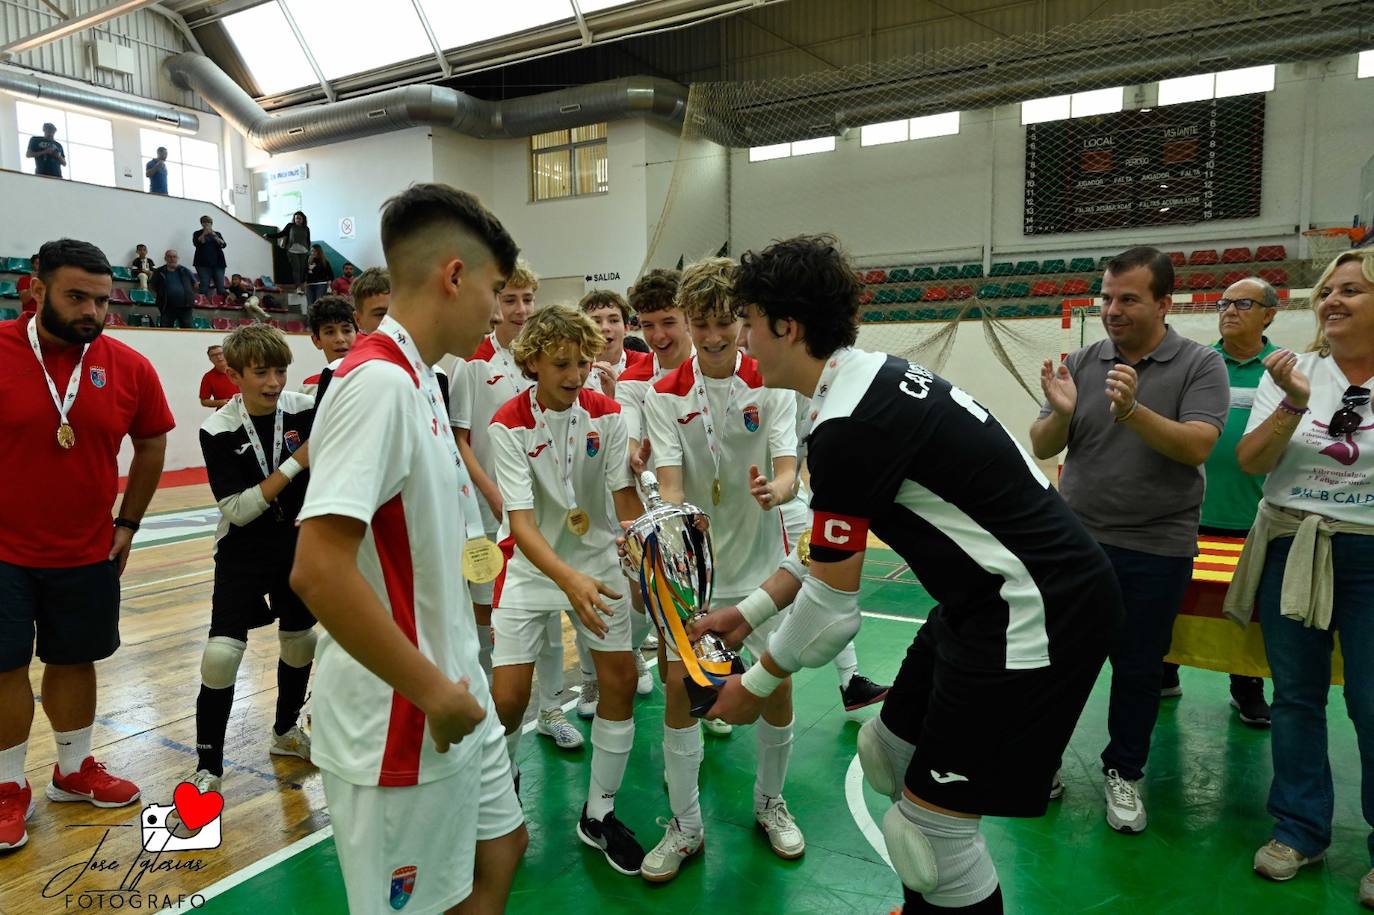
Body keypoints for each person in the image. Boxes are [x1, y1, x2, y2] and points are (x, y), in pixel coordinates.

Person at [690, 234, 1121, 914]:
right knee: (887, 754)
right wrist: (749, 613)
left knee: (933, 837)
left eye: (749, 321)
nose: (744, 339)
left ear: (787, 325)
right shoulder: (867, 380)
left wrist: (758, 678)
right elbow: (828, 551)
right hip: (981, 601)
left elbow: (834, 610)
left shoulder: (849, 420)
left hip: (1035, 610)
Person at [290, 183, 526, 914]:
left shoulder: (426, 378)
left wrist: (495, 603)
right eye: (494, 289)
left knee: (503, 848)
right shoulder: (378, 385)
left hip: (458, 690)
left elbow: (445, 537)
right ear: (454, 276)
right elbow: (317, 569)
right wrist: (431, 688)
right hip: (402, 720)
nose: (496, 310)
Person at [1029, 245, 1229, 834]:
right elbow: (1043, 445)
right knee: (1060, 660)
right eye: (1108, 298)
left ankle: (1125, 772)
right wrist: (1062, 414)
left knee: (1139, 668)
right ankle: (1042, 762)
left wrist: (1133, 410)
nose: (1112, 310)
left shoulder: (1200, 365)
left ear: (1166, 302)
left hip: (1157, 546)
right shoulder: (1084, 359)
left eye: (1129, 299)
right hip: (1079, 541)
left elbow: (1196, 446)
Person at [0, 239, 175, 853]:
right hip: (3, 552)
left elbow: (152, 441)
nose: (92, 312)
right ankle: (3, 788)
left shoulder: (128, 366)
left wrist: (126, 525)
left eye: (102, 300)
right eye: (77, 296)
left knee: (76, 660)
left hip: (88, 550)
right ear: (35, 290)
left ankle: (73, 771)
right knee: (5, 667)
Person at [638, 256, 805, 880]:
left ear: (741, 320)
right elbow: (673, 482)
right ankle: (684, 825)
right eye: (699, 324)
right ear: (686, 321)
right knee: (680, 690)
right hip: (695, 574)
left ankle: (770, 801)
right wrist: (679, 519)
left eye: (723, 323)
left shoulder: (774, 379)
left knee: (775, 684)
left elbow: (788, 466)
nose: (711, 338)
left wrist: (778, 492)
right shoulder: (663, 393)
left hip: (763, 569)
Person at [1226, 250, 1374, 907]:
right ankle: (1300, 828)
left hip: (1369, 552)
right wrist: (1292, 404)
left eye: (1352, 290)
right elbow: (1251, 458)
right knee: (1296, 695)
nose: (1333, 300)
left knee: (1372, 702)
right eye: (1327, 291)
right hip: (1292, 544)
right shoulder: (1291, 370)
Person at [488, 304, 647, 874]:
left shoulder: (607, 413)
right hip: (533, 568)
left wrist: (639, 552)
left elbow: (622, 496)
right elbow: (523, 525)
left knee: (621, 681)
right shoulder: (507, 422)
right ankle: (501, 789)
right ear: (531, 361)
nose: (576, 375)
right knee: (507, 699)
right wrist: (569, 579)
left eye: (584, 362)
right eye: (562, 364)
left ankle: (599, 813)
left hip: (596, 562)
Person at [450, 261, 585, 751]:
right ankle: (488, 712)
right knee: (491, 617)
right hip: (489, 516)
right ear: (494, 302)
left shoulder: (546, 358)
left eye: (529, 299)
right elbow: (460, 439)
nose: (522, 310)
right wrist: (492, 494)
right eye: (511, 300)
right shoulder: (473, 361)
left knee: (546, 613)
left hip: (541, 512)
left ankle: (550, 707)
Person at [191, 325, 316, 794]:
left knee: (302, 641)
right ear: (235, 374)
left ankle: (286, 732)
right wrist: (296, 462)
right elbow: (239, 509)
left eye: (280, 370)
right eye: (261, 372)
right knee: (221, 655)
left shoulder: (306, 408)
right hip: (242, 550)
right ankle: (208, 767)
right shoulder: (217, 428)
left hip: (298, 546)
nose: (273, 382)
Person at [1160, 275, 1280, 725]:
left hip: (1255, 517)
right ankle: (1164, 671)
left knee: (1247, 609)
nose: (1229, 311)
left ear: (1270, 313)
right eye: (1223, 304)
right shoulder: (1199, 364)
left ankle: (1246, 684)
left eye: (1243, 304)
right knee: (1174, 599)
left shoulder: (1284, 369)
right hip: (1187, 514)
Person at [580, 289, 650, 397]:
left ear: (626, 327)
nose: (605, 328)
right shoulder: (575, 370)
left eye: (613, 320)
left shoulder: (648, 365)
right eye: (596, 321)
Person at [301, 296, 358, 398]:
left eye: (347, 330)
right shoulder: (308, 388)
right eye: (330, 332)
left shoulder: (374, 381)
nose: (340, 339)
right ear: (317, 341)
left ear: (358, 335)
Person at [150, 249, 197, 329]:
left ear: (177, 258)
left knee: (188, 330)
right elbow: (153, 286)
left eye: (174, 257)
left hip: (185, 308)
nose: (172, 259)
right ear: (165, 258)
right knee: (165, 330)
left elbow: (195, 285)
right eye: (169, 257)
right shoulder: (159, 271)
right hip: (167, 307)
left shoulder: (186, 271)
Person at [271, 212, 311, 293]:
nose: (298, 220)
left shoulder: (306, 228)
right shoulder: (290, 226)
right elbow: (281, 234)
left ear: (303, 219)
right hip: (292, 250)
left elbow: (308, 240)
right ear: (294, 219)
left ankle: (302, 285)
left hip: (303, 251)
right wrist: (269, 235)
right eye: (296, 218)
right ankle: (298, 287)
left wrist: (308, 249)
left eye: (299, 218)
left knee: (302, 269)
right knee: (296, 268)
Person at [192, 216, 228, 297]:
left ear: (211, 224)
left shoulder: (217, 234)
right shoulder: (197, 233)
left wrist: (215, 236)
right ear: (201, 224)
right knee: (204, 285)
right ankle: (203, 303)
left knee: (220, 286)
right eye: (204, 222)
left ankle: (221, 303)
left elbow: (224, 244)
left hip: (218, 263)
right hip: (202, 263)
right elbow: (197, 243)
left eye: (208, 222)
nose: (206, 224)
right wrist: (204, 234)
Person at [200, 344, 239, 409]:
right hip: (225, 412)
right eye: (214, 355)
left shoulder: (240, 370)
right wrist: (221, 402)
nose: (218, 357)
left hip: (247, 409)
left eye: (221, 353)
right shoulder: (208, 377)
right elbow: (204, 401)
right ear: (210, 359)